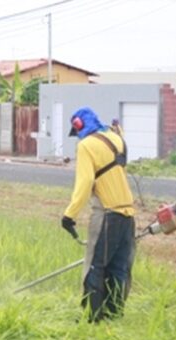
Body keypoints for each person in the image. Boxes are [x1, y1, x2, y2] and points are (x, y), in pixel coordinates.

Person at [60, 107, 136, 322]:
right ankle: (114, 314)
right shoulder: (116, 138)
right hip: (128, 214)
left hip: (108, 214)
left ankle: (92, 318)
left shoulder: (86, 146)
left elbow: (85, 183)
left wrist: (69, 215)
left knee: (95, 265)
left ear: (79, 126)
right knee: (119, 267)